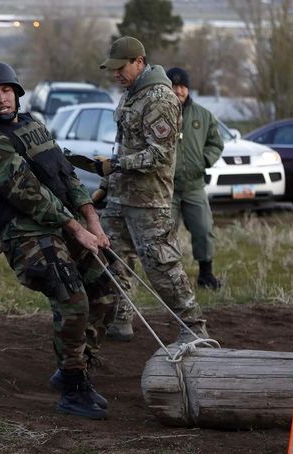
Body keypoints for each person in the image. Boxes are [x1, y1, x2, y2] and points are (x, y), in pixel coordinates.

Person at [0, 62, 118, 420]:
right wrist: (77, 229)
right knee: (72, 298)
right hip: (27, 232)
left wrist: (92, 220)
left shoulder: (34, 125)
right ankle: (74, 391)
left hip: (64, 224)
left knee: (106, 290)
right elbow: (28, 194)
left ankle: (72, 367)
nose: (1, 99)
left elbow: (65, 175)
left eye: (5, 91)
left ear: (16, 92)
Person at [98, 36, 210, 343]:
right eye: (113, 69)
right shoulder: (130, 96)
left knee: (162, 267)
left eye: (121, 68)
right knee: (113, 261)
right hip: (120, 197)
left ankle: (193, 328)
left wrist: (115, 166)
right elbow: (121, 145)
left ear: (139, 62)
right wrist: (105, 185)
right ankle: (120, 319)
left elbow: (159, 154)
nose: (116, 74)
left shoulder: (159, 98)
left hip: (149, 200)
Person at [165, 67, 224, 290]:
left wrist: (203, 161)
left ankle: (206, 274)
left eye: (183, 87)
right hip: (166, 186)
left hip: (194, 185)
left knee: (203, 229)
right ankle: (169, 277)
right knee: (165, 232)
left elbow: (216, 143)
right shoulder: (159, 113)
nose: (179, 91)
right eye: (174, 86)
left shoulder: (203, 115)